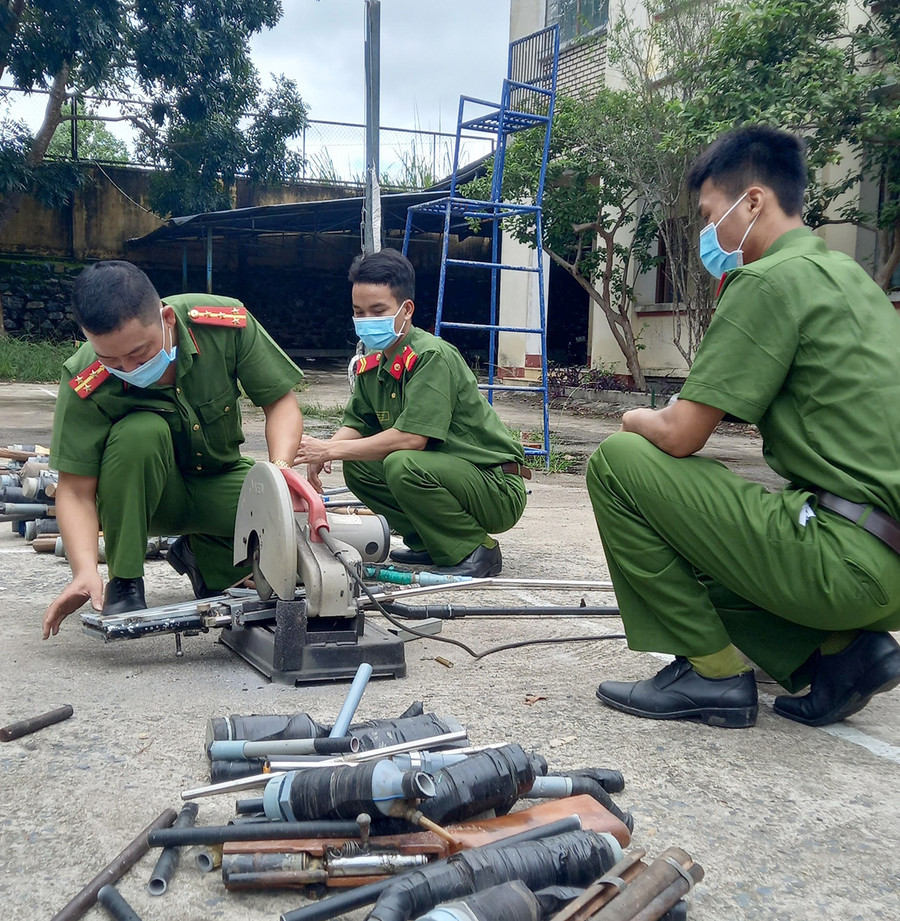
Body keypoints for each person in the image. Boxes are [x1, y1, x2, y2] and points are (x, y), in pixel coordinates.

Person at [587, 125, 900, 729]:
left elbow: (681, 433)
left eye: (709, 215)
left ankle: (711, 676)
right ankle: (840, 653)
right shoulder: (854, 281)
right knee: (702, 525)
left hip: (841, 563)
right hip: (884, 562)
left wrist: (632, 415)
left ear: (752, 201)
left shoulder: (766, 280)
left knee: (622, 463)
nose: (710, 234)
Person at [42, 260, 304, 638]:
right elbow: (75, 490)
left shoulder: (222, 324)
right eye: (110, 360)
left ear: (166, 318)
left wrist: (279, 472)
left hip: (219, 478)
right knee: (140, 432)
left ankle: (207, 558)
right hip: (145, 504)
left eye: (138, 353)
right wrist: (84, 570)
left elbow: (280, 403)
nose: (128, 368)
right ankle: (126, 583)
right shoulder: (84, 378)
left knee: (302, 546)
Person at [294, 248, 528, 577]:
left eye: (377, 310)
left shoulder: (432, 356)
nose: (366, 321)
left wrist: (329, 448)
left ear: (406, 309)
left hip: (495, 485)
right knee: (360, 468)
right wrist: (325, 452)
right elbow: (358, 422)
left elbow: (412, 438)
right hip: (449, 476)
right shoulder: (372, 365)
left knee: (402, 462)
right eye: (358, 312)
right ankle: (431, 542)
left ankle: (476, 549)